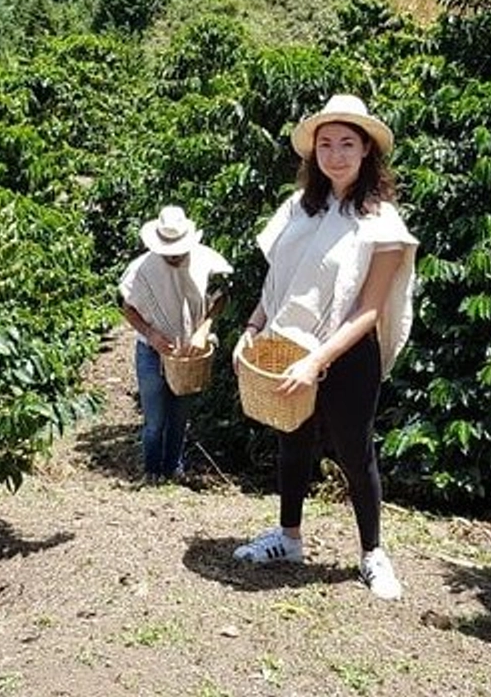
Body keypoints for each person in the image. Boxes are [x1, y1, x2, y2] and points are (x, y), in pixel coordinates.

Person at [232, 94, 418, 601]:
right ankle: (288, 538)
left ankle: (372, 553)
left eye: (347, 144)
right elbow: (280, 280)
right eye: (326, 144)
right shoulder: (298, 208)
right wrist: (252, 326)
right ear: (313, 152)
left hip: (348, 352)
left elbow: (370, 309)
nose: (336, 155)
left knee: (355, 451)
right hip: (290, 344)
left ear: (366, 150)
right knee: (291, 440)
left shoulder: (381, 222)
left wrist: (319, 360)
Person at [120, 205, 232, 484]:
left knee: (180, 417)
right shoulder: (142, 269)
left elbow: (221, 296)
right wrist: (151, 334)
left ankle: (173, 469)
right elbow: (127, 306)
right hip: (151, 352)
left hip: (188, 353)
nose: (173, 256)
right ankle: (152, 472)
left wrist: (203, 329)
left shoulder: (204, 261)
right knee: (155, 421)